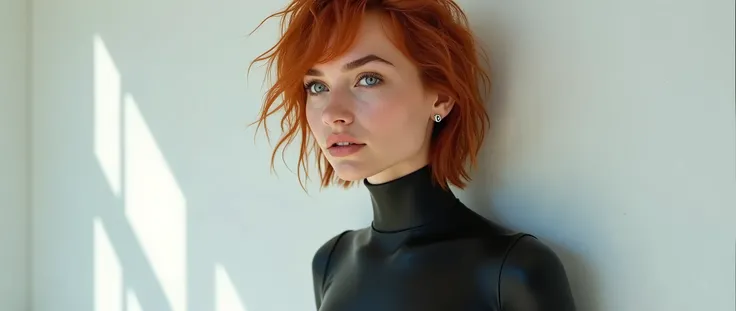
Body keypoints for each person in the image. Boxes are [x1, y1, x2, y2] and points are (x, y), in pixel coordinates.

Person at [249, 0, 577, 310]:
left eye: (367, 79)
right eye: (317, 86)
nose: (333, 113)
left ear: (441, 98)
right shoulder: (330, 261)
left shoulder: (513, 270)